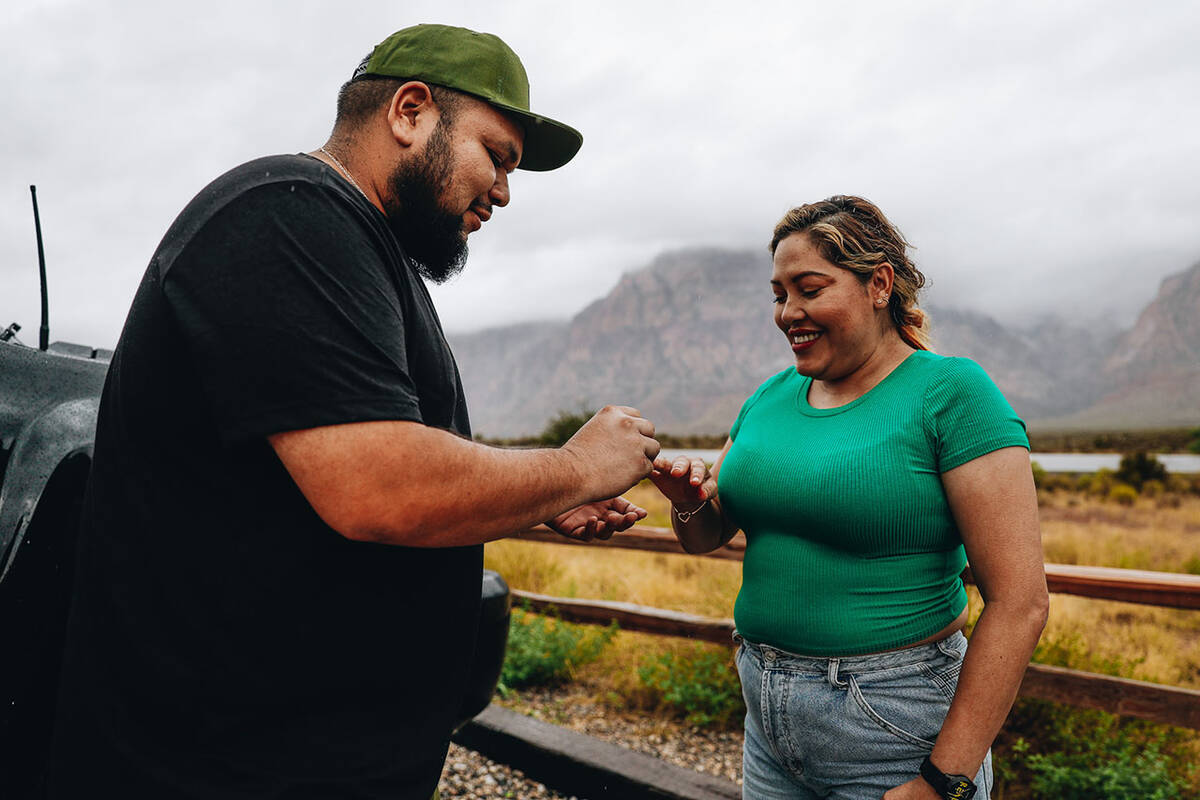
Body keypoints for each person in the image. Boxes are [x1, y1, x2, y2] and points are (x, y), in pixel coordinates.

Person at [48, 24, 659, 799]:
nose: (504, 191)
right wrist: (575, 466)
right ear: (410, 112)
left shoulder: (363, 249)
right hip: (225, 768)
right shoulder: (287, 215)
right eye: (496, 156)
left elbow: (341, 477)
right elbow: (380, 486)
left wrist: (546, 500)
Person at [650, 196, 1049, 800]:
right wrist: (687, 499)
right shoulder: (770, 395)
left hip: (894, 725)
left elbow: (1020, 604)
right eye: (779, 294)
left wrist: (945, 781)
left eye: (809, 288)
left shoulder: (952, 394)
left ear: (879, 284)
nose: (789, 313)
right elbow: (707, 535)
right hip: (766, 712)